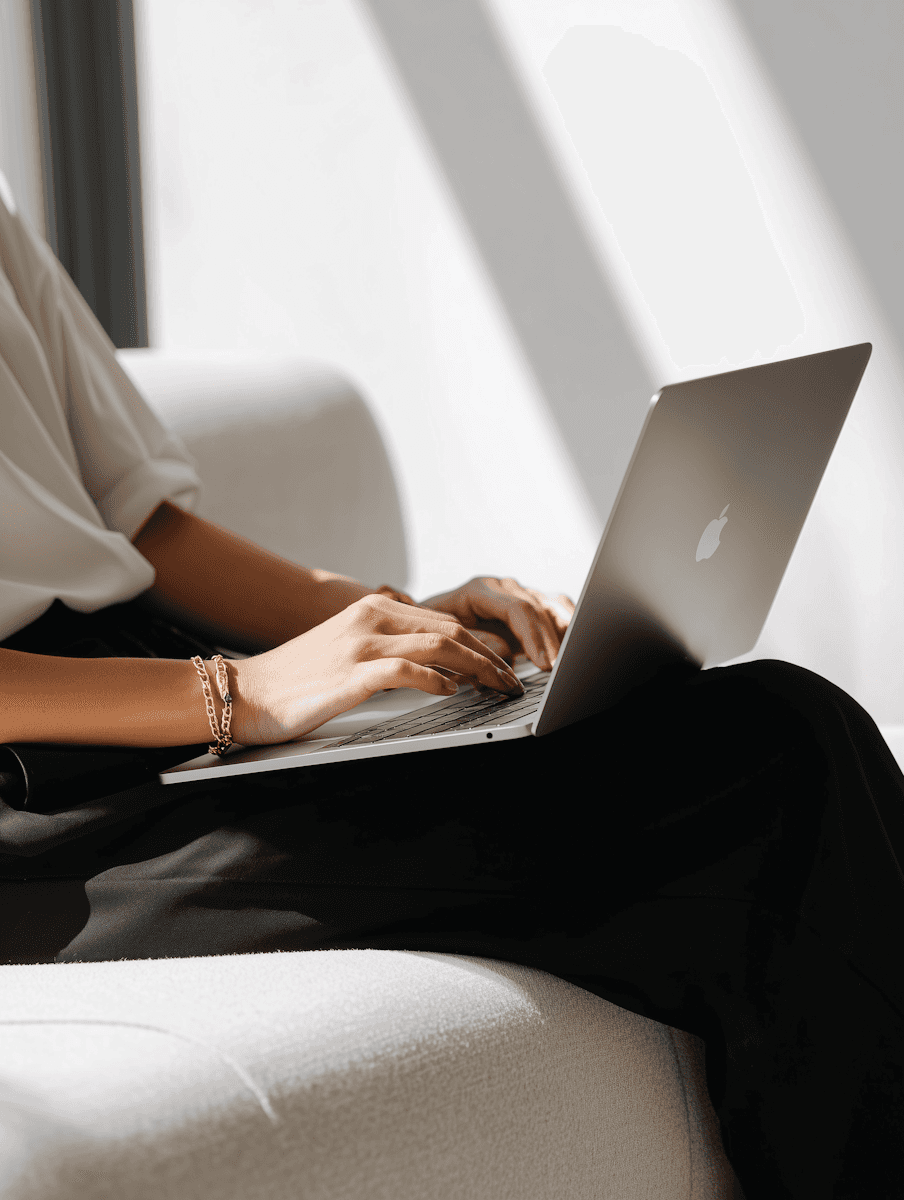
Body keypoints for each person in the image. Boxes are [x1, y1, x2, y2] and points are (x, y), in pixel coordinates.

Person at [0, 173, 902, 1199]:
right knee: (767, 767)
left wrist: (396, 619)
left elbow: (142, 526)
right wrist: (233, 697)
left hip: (148, 676)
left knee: (763, 720)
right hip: (40, 792)